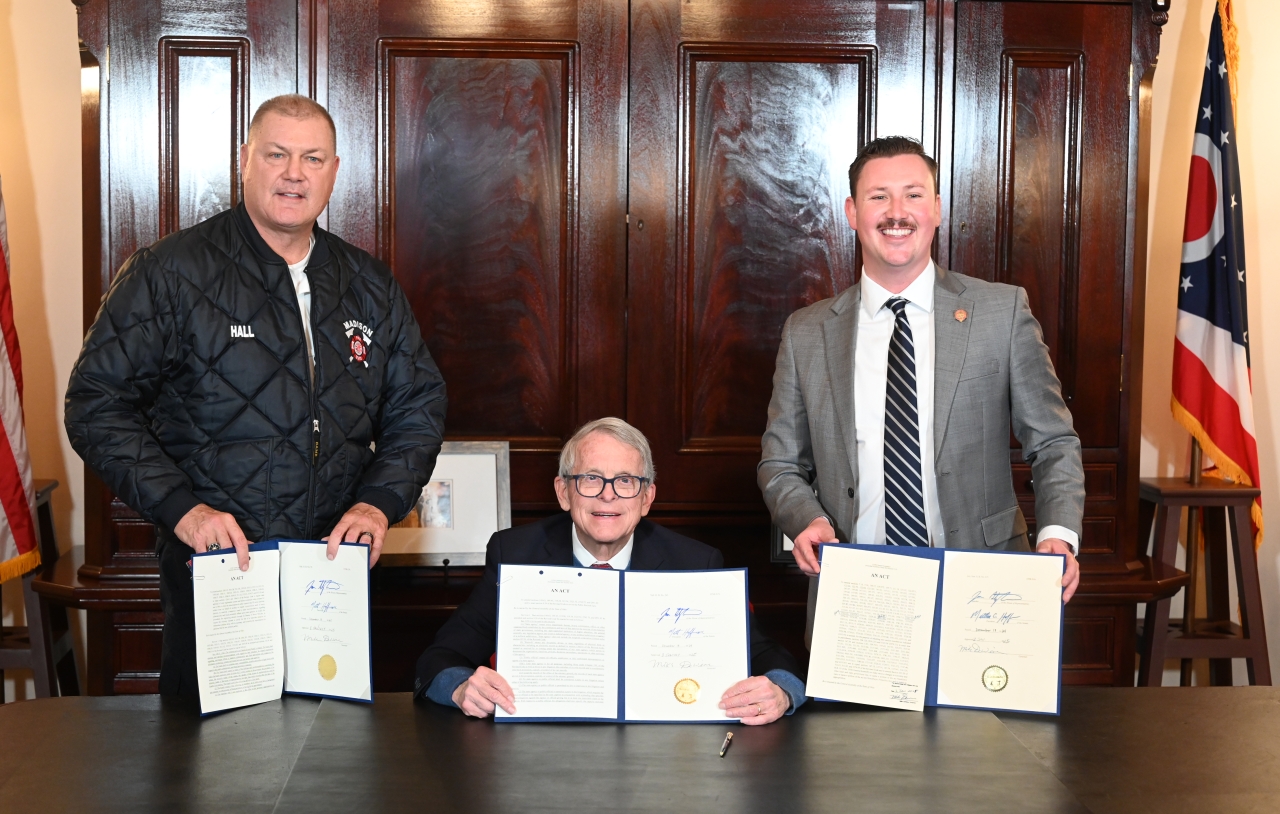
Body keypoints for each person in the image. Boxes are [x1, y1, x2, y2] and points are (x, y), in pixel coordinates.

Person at [65, 94, 447, 696]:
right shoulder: (170, 272)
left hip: (333, 575)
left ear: (334, 172)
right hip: (219, 571)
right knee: (216, 771)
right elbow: (95, 404)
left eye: (312, 158)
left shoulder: (368, 284)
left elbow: (417, 406)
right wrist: (184, 512)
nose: (294, 172)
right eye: (277, 154)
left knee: (332, 762)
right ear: (246, 161)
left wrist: (378, 504)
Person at [758, 136, 1084, 613]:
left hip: (984, 586)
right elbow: (780, 463)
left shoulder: (1001, 311)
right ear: (852, 212)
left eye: (913, 195)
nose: (897, 212)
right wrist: (807, 519)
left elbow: (1053, 441)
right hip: (855, 586)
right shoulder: (806, 333)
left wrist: (1057, 532)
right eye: (878, 197)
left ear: (935, 208)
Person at [416, 417, 805, 725]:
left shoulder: (695, 563)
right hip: (543, 756)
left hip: (662, 762)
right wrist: (460, 687)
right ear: (563, 492)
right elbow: (440, 658)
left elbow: (768, 655)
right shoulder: (515, 553)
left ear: (647, 497)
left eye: (626, 481)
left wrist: (781, 692)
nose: (608, 494)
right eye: (591, 478)